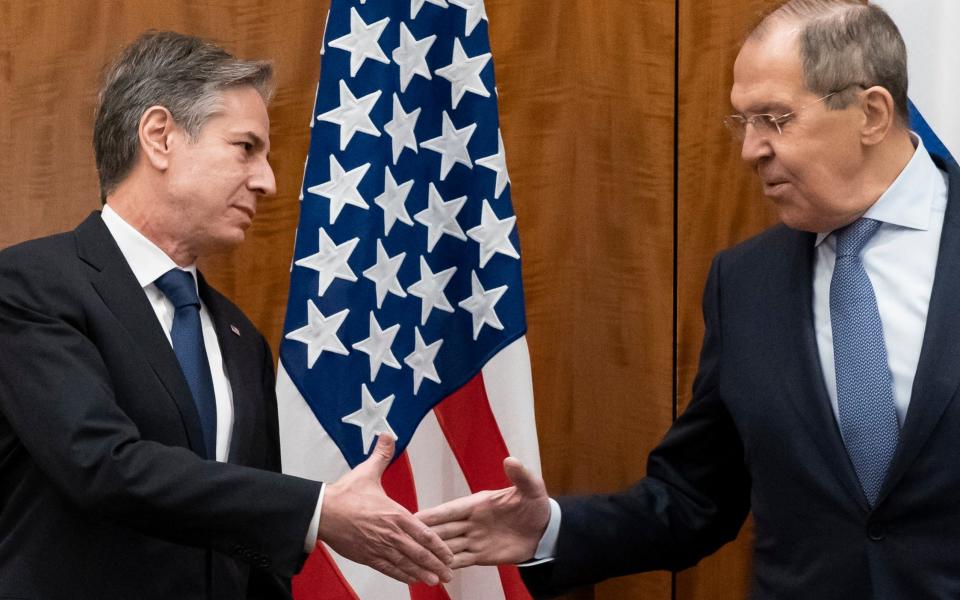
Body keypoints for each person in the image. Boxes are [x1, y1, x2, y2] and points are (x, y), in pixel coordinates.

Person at [417, 1, 960, 597]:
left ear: (871, 113)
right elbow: (696, 496)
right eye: (743, 123)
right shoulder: (746, 282)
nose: (751, 149)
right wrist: (550, 531)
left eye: (774, 119)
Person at [0, 31, 452, 599]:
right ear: (160, 137)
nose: (268, 181)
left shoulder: (239, 338)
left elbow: (252, 545)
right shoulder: (31, 285)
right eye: (246, 148)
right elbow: (102, 466)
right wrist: (316, 509)